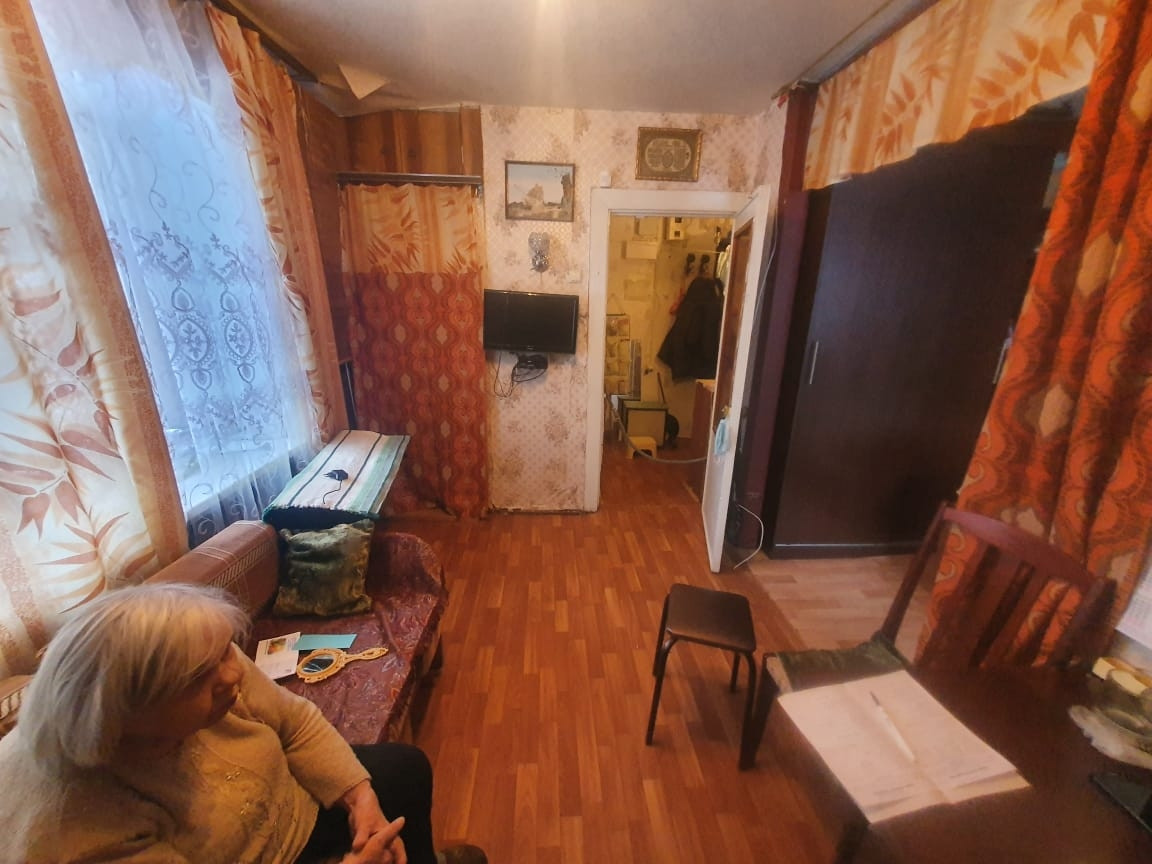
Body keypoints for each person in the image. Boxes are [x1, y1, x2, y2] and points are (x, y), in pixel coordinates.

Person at [0, 582, 486, 864]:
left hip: (289, 809)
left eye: (226, 653)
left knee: (403, 769)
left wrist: (359, 799)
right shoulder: (73, 829)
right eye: (202, 677)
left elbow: (294, 721)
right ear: (127, 711)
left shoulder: (203, 659)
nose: (233, 674)